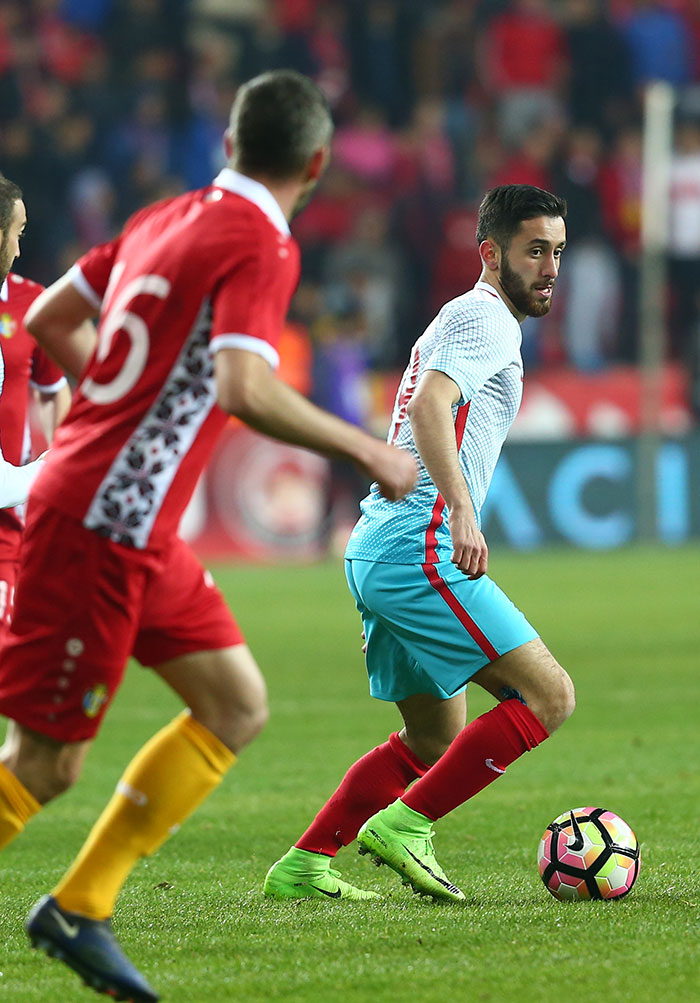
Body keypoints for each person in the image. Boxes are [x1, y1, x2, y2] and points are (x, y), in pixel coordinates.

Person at [0, 70, 416, 1003]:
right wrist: (369, 452)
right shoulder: (264, 243)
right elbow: (242, 386)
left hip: (135, 522)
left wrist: (108, 401)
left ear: (229, 144)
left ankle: (79, 908)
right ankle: (77, 906)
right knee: (46, 761)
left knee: (234, 704)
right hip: (103, 521)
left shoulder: (163, 215)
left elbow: (56, 316)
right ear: (315, 164)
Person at [264, 184, 576, 903]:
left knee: (434, 739)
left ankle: (305, 864)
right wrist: (463, 511)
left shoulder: (464, 317)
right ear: (491, 254)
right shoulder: (485, 318)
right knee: (547, 694)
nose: (550, 267)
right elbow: (432, 405)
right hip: (420, 545)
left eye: (558, 251)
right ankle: (405, 826)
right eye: (535, 250)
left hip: (378, 545)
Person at [0, 177, 71, 640]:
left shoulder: (33, 305)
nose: (20, 250)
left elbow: (55, 397)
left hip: (8, 508)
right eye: (17, 233)